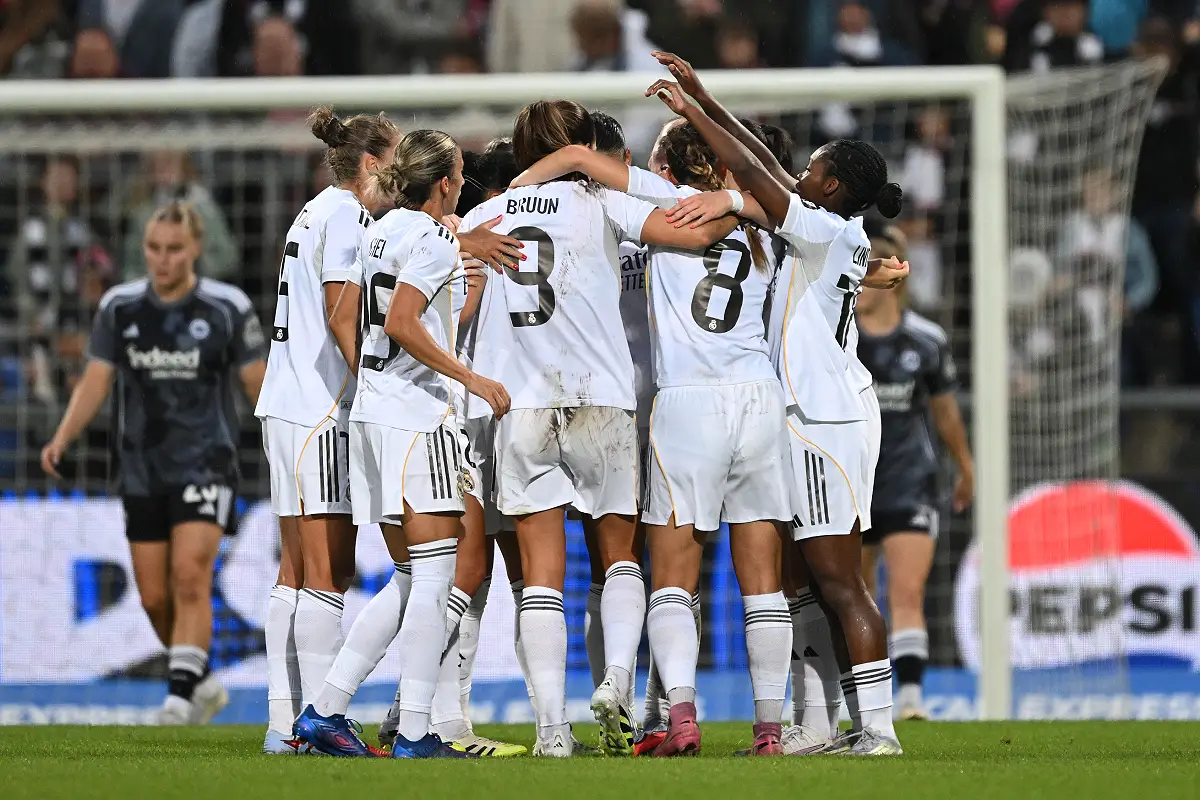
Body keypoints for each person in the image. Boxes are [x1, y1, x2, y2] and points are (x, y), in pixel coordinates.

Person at [648, 50, 909, 756]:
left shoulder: (824, 228)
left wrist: (697, 116)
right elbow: (764, 165)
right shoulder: (827, 227)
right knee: (799, 580)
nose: (802, 175)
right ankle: (820, 723)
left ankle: (879, 732)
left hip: (822, 420)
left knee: (838, 579)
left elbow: (758, 174)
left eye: (815, 169)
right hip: (794, 415)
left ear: (836, 185)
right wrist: (704, 93)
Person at [460, 98, 737, 757]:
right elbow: (698, 235)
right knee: (618, 560)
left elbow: (455, 307)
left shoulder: (483, 215)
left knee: (543, 578)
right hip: (601, 399)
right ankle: (616, 677)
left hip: (520, 406)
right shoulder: (604, 204)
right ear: (581, 149)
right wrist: (738, 200)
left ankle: (553, 731)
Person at [511, 119, 793, 756]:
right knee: (761, 580)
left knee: (654, 573)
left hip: (659, 403)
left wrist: (514, 194)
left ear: (667, 168)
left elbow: (583, 163)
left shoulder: (647, 208)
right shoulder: (775, 222)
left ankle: (673, 715)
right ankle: (769, 729)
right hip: (755, 396)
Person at [293, 129, 511, 760]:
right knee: (437, 576)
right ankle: (416, 729)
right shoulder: (437, 238)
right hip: (417, 420)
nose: (464, 183)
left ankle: (327, 708)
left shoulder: (378, 228)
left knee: (416, 577)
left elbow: (366, 319)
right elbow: (401, 320)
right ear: (444, 182)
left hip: (372, 413)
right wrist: (469, 375)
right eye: (461, 175)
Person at [40, 201, 267, 725]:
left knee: (191, 576)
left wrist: (290, 435)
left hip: (207, 462)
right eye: (153, 249)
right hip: (142, 467)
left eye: (174, 250)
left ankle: (179, 699)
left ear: (195, 249)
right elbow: (98, 378)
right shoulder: (120, 308)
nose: (162, 260)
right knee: (153, 597)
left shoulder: (225, 308)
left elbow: (256, 382)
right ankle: (202, 681)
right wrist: (62, 436)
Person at [254, 107, 400, 756]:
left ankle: (285, 725)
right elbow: (342, 310)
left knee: (295, 569)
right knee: (325, 571)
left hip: (287, 404)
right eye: (395, 162)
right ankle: (316, 725)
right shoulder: (347, 215)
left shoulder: (313, 209)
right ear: (371, 164)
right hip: (321, 407)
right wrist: (369, 383)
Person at [856, 224, 973, 721]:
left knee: (906, 591)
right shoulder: (832, 336)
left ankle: (909, 700)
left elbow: (945, 414)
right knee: (855, 597)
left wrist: (966, 468)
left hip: (911, 481)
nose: (861, 278)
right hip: (851, 482)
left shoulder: (927, 340)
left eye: (870, 266)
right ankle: (861, 698)